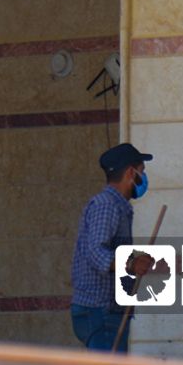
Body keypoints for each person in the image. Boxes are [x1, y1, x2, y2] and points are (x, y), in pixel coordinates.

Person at [70, 142, 153, 352]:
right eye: (142, 172)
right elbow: (97, 253)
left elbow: (114, 252)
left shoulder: (117, 206)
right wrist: (133, 264)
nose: (143, 178)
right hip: (100, 311)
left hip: (107, 311)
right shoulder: (107, 205)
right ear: (130, 173)